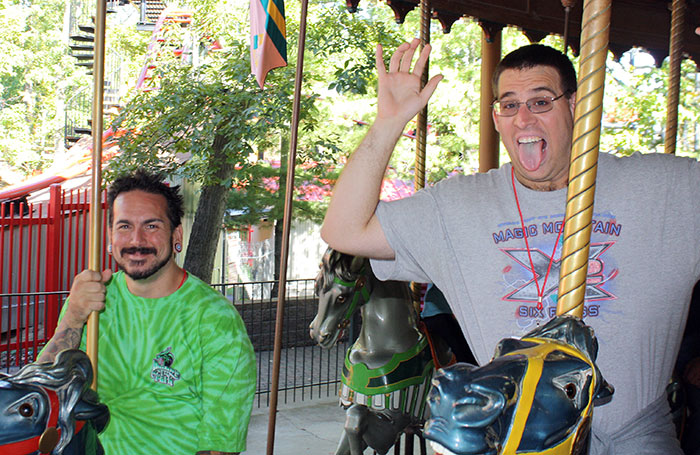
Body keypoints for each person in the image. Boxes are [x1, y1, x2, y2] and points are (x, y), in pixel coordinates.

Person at [321, 38, 700, 454]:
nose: (523, 118)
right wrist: (389, 122)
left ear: (577, 106)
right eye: (509, 104)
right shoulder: (457, 206)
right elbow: (345, 230)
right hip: (513, 438)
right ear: (497, 118)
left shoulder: (668, 188)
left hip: (635, 436)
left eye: (541, 102)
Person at [38, 170, 256, 455]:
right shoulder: (90, 299)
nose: (136, 240)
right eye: (124, 226)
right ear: (109, 236)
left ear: (176, 234)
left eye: (151, 226)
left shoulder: (215, 319)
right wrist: (73, 318)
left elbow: (220, 445)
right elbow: (41, 391)